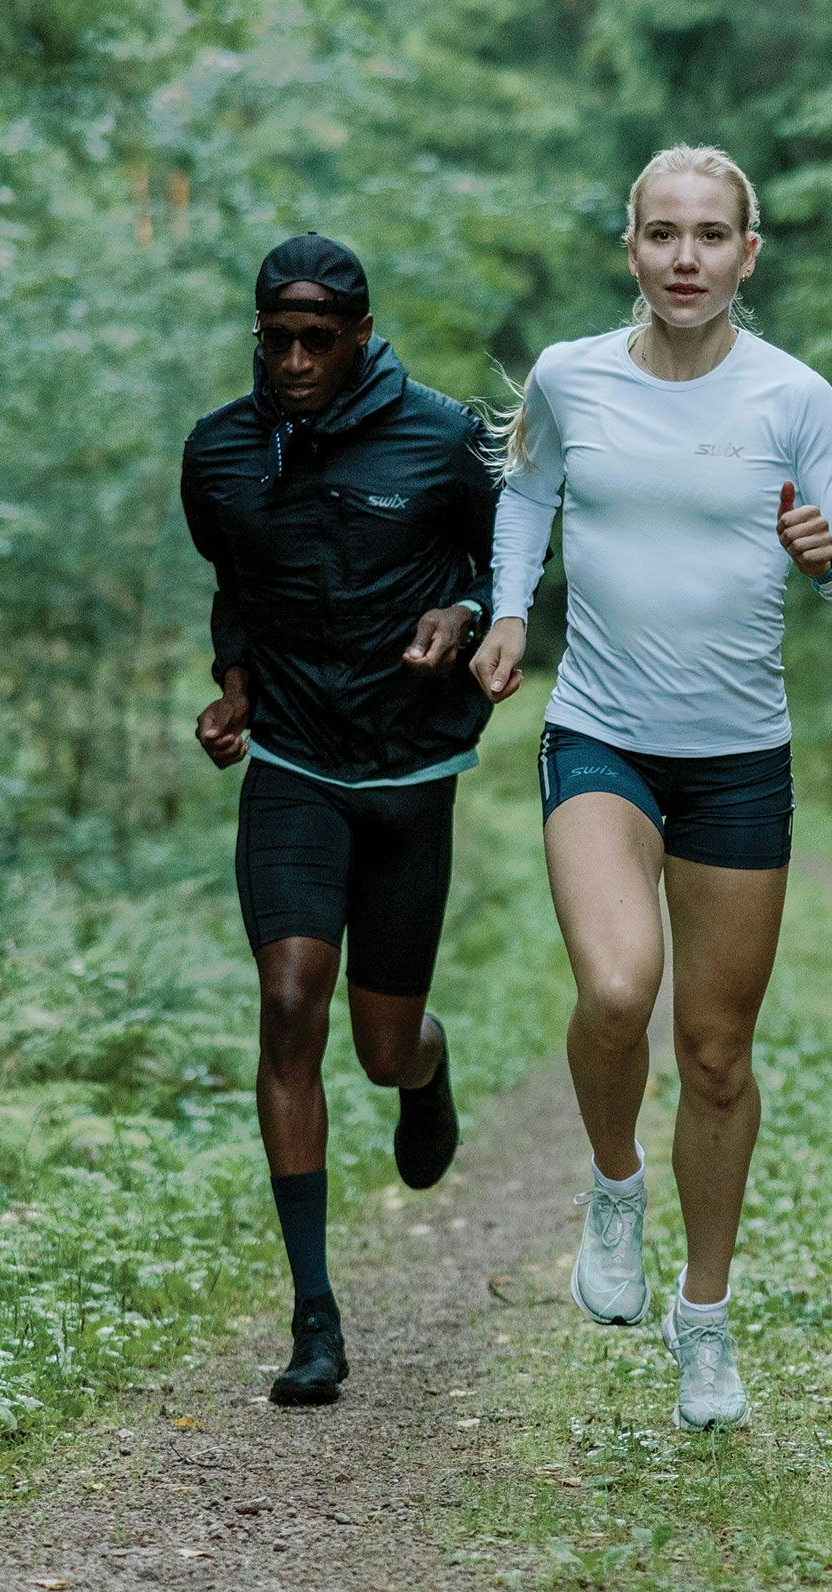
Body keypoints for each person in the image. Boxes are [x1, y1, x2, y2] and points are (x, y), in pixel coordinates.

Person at [468, 145, 832, 1431]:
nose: (685, 258)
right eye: (662, 234)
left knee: (716, 1057)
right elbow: (529, 488)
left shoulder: (794, 399)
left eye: (711, 236)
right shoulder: (569, 375)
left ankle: (702, 1320)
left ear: (747, 254)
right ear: (631, 247)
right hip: (599, 731)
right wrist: (508, 611)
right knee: (617, 987)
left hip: (737, 761)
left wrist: (826, 561)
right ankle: (614, 1188)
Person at [182, 232, 497, 1408]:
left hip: (413, 770)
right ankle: (315, 1315)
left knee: (376, 1048)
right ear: (258, 333)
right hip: (296, 763)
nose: (298, 361)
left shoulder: (442, 434)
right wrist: (234, 688)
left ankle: (427, 1068)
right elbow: (238, 583)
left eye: (320, 340)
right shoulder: (218, 451)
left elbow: (519, 556)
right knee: (285, 1000)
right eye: (278, 340)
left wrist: (465, 609)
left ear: (362, 334)